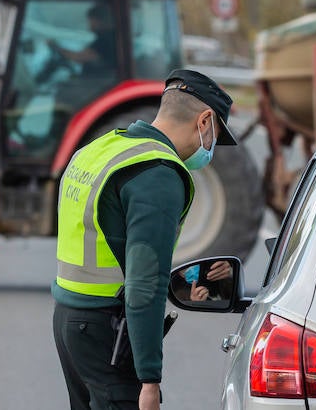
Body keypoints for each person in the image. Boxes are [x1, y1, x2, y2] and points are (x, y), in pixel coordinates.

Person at [52, 68, 237, 410]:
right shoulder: (158, 174)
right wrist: (150, 379)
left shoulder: (101, 149)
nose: (211, 149)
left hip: (69, 321)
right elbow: (144, 284)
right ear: (205, 121)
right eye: (216, 138)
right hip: (107, 332)